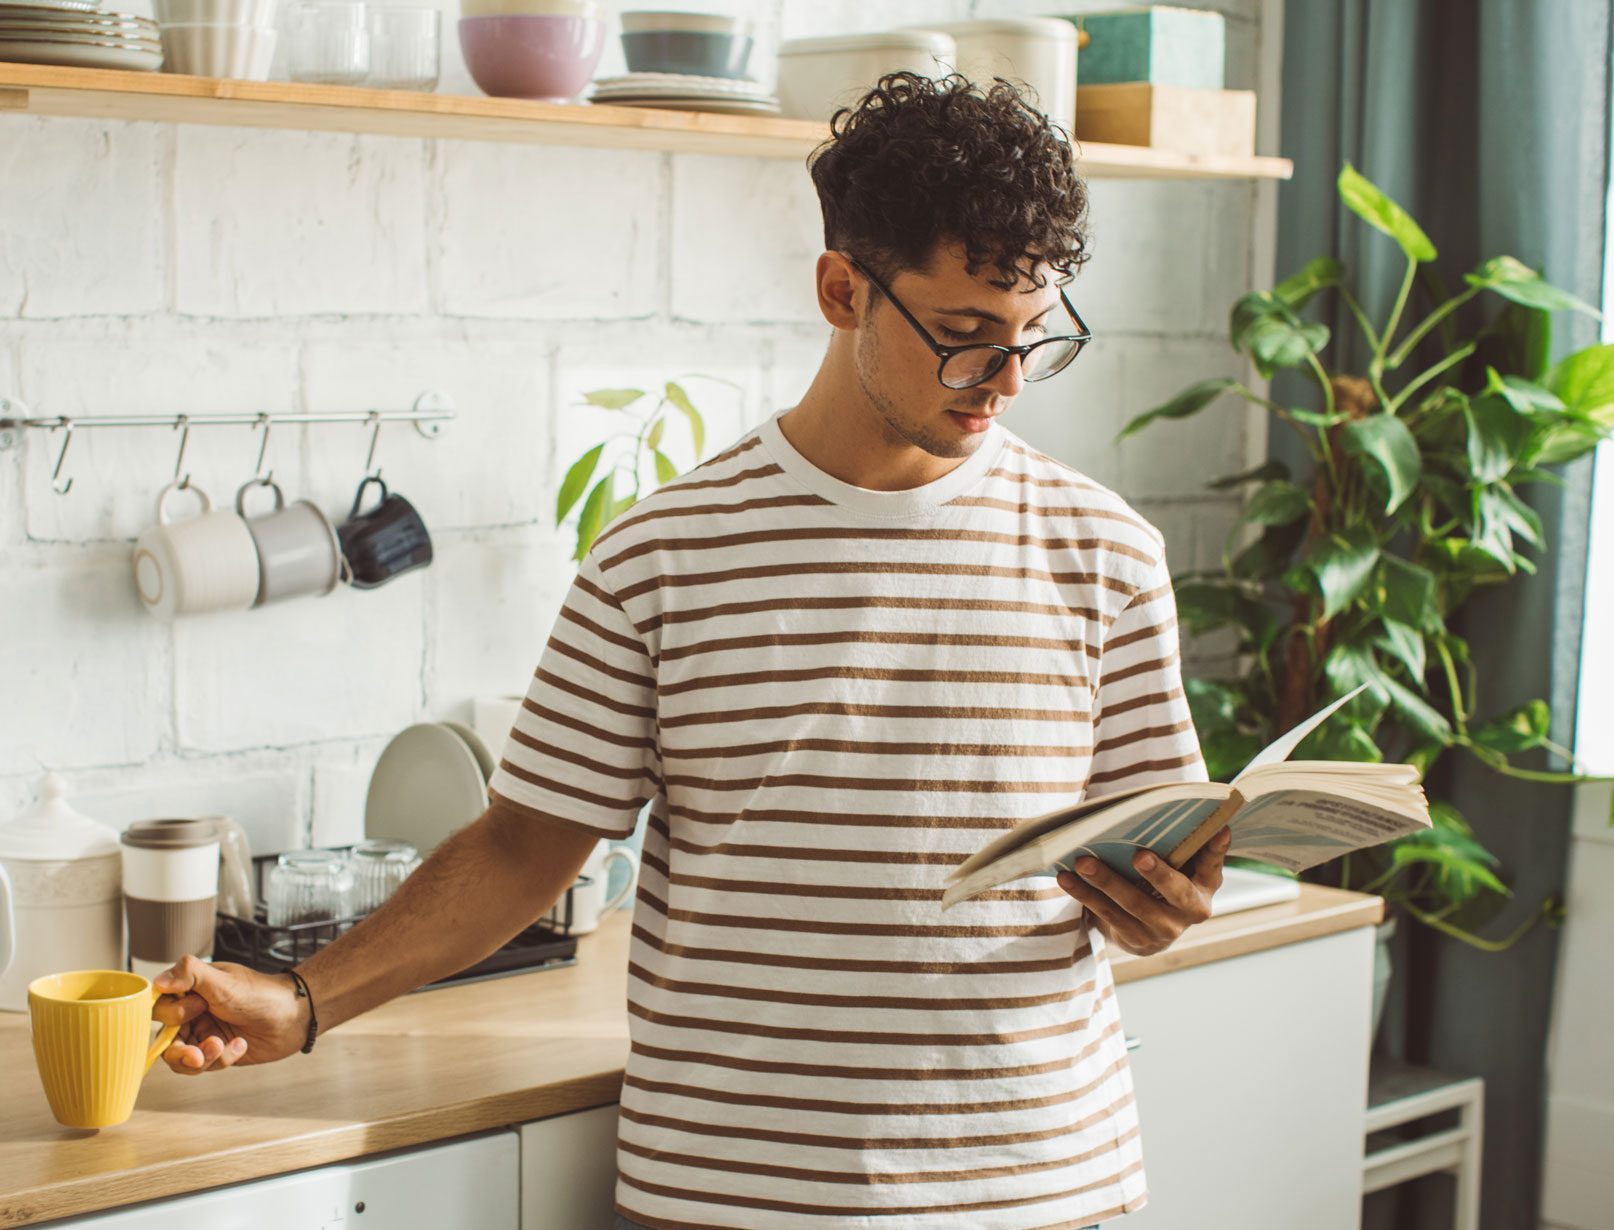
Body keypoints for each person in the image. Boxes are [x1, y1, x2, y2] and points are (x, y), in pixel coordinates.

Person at [152, 72, 1230, 1230]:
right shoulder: (661, 555)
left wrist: (1166, 900)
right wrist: (303, 1000)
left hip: (1041, 1186)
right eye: (965, 340)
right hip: (731, 1196)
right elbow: (524, 848)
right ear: (840, 289)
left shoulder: (1103, 551)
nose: (1006, 382)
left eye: (1034, 338)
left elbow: (1149, 849)